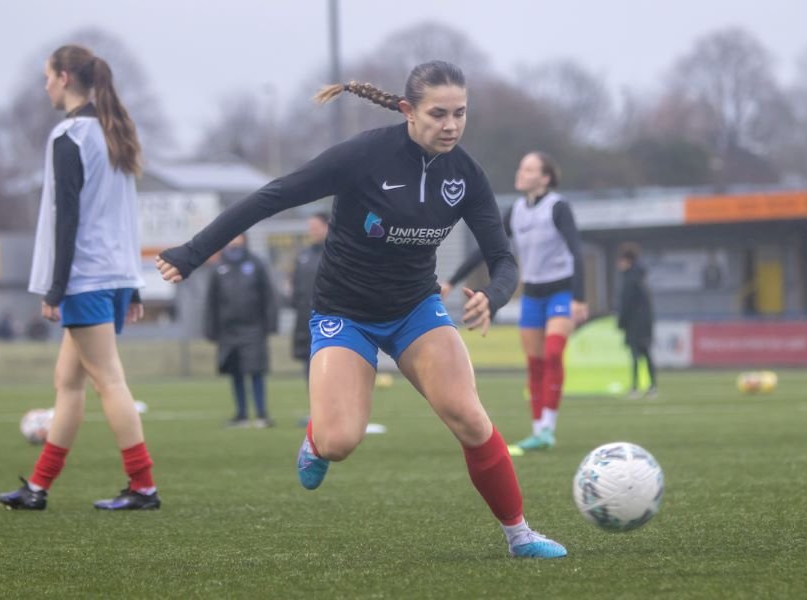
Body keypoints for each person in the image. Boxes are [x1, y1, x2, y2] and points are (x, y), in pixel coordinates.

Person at [156, 61, 566, 558]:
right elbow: (273, 197)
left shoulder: (466, 175)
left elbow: (502, 258)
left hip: (416, 309)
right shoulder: (364, 155)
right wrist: (192, 252)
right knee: (339, 442)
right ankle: (315, 437)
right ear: (407, 110)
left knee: (470, 418)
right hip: (345, 312)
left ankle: (520, 534)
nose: (451, 125)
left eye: (460, 113)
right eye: (438, 114)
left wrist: (493, 297)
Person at [0, 45, 159, 511]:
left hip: (85, 278)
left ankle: (144, 486)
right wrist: (132, 281)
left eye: (47, 76)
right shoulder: (114, 133)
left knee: (109, 381)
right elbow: (124, 219)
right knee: (67, 383)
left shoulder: (70, 135)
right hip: (109, 275)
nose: (44, 84)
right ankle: (37, 488)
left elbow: (66, 218)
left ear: (65, 77)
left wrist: (55, 285)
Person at [442, 151, 588, 456]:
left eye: (529, 169)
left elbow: (576, 250)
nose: (520, 173)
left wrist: (579, 298)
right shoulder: (516, 210)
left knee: (552, 353)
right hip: (532, 294)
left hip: (561, 293)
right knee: (534, 363)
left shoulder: (558, 207)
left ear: (545, 177)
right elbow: (487, 248)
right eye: (521, 167)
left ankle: (548, 427)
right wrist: (453, 281)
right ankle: (538, 432)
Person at [205, 233, 278, 428]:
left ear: (244, 239)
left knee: (256, 371)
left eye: (238, 237)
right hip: (228, 330)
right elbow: (211, 302)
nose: (234, 241)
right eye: (231, 237)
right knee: (235, 372)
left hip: (254, 328)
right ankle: (241, 415)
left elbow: (269, 296)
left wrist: (271, 323)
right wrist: (211, 329)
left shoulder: (256, 264)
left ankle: (262, 414)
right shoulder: (218, 267)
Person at [290, 212, 330, 383]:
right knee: (309, 364)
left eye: (316, 227)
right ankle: (316, 409)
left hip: (331, 319)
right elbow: (296, 286)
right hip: (306, 319)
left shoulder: (336, 253)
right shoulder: (303, 256)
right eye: (310, 228)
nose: (312, 231)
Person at [617, 243, 656, 398]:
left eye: (620, 260)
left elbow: (626, 303)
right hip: (645, 322)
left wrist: (621, 322)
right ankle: (652, 387)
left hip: (634, 323)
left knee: (634, 355)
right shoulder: (640, 277)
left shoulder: (630, 279)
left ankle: (635, 387)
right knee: (646, 353)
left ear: (627, 260)